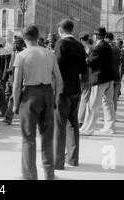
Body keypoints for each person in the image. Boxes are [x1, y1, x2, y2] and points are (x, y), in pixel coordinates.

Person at [12, 25, 62, 180]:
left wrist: (15, 104)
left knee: (28, 138)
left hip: (30, 95)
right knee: (47, 137)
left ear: (24, 37)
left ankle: (29, 175)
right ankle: (49, 174)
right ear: (38, 35)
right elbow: (59, 81)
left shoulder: (21, 55)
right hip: (47, 93)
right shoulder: (49, 54)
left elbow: (16, 84)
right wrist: (55, 98)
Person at [53, 19, 86, 170]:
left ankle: (57, 161)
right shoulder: (79, 45)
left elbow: (57, 66)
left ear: (60, 29)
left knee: (60, 125)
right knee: (73, 124)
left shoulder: (61, 44)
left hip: (63, 90)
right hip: (75, 89)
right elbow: (83, 69)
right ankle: (73, 158)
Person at [80, 27, 115, 135]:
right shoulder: (108, 46)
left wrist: (85, 58)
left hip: (99, 79)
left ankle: (88, 128)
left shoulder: (98, 47)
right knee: (108, 103)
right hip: (109, 79)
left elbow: (89, 62)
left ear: (95, 36)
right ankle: (109, 127)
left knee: (93, 105)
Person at [3, 36, 25, 125]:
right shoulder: (13, 53)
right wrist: (8, 72)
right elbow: (10, 65)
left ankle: (8, 118)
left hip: (19, 80)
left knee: (13, 99)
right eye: (15, 43)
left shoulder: (24, 54)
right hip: (11, 80)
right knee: (7, 97)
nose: (15, 45)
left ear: (22, 44)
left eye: (18, 43)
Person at [78, 33, 93, 126]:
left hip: (77, 75)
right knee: (84, 98)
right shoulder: (92, 48)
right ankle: (80, 120)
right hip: (87, 75)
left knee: (77, 97)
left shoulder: (76, 47)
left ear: (80, 39)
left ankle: (75, 117)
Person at [105, 33, 122, 112]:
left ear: (107, 38)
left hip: (108, 77)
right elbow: (119, 63)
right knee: (114, 97)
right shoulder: (118, 49)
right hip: (116, 76)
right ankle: (113, 114)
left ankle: (109, 115)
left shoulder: (106, 48)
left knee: (107, 98)